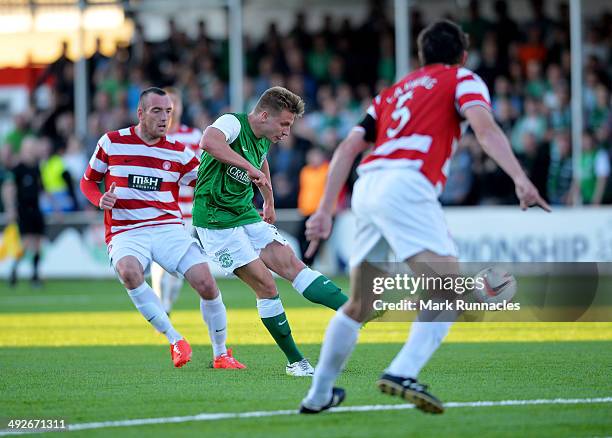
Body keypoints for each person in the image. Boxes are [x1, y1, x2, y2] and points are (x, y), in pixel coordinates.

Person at [299, 20, 550, 414]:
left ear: (420, 56)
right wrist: (521, 178)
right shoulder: (462, 79)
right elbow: (485, 129)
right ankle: (402, 371)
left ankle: (318, 395)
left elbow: (349, 147)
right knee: (449, 288)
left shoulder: (391, 93)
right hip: (408, 184)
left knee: (361, 304)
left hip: (368, 187)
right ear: (462, 55)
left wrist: (326, 210)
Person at [79, 87, 245, 370]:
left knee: (206, 282)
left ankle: (221, 354)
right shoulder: (112, 142)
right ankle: (175, 339)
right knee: (129, 272)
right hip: (126, 230)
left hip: (168, 228)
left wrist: (241, 179)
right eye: (157, 111)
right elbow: (88, 181)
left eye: (168, 111)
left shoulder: (180, 151)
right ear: (140, 113)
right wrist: (100, 199)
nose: (164, 117)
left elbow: (205, 182)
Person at [192, 86, 349, 377]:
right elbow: (209, 142)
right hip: (215, 221)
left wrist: (268, 200)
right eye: (285, 124)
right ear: (264, 115)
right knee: (267, 285)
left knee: (292, 263)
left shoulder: (264, 137)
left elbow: (260, 161)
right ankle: (296, 362)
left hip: (245, 213)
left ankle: (352, 310)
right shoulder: (232, 122)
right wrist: (247, 168)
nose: (287, 132)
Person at [150, 87, 203, 315]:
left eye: (175, 104)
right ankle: (162, 307)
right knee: (159, 262)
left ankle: (166, 304)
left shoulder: (193, 136)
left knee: (178, 267)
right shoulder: (153, 138)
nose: (170, 109)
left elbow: (202, 171)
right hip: (159, 210)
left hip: (186, 211)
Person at [3, 136, 46, 287]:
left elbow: (42, 188)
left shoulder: (36, 168)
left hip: (36, 209)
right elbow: (8, 189)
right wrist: (11, 209)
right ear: (25, 149)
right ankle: (15, 269)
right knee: (27, 243)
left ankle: (35, 276)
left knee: (38, 244)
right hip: (23, 210)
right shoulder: (18, 169)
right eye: (32, 147)